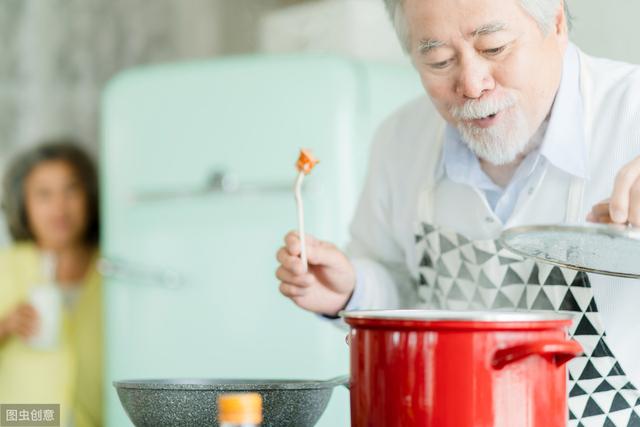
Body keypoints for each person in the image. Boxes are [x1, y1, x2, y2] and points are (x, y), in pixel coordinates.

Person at [275, 0, 640, 424]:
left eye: (494, 48)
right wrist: (350, 289)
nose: (471, 84)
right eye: (439, 60)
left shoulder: (633, 109)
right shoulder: (400, 140)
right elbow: (401, 289)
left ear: (556, 23)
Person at [0, 141, 102, 427]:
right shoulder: (6, 265)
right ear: (24, 204)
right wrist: (5, 326)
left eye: (72, 190)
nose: (60, 207)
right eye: (44, 194)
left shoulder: (111, 268)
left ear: (90, 197)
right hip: (22, 419)